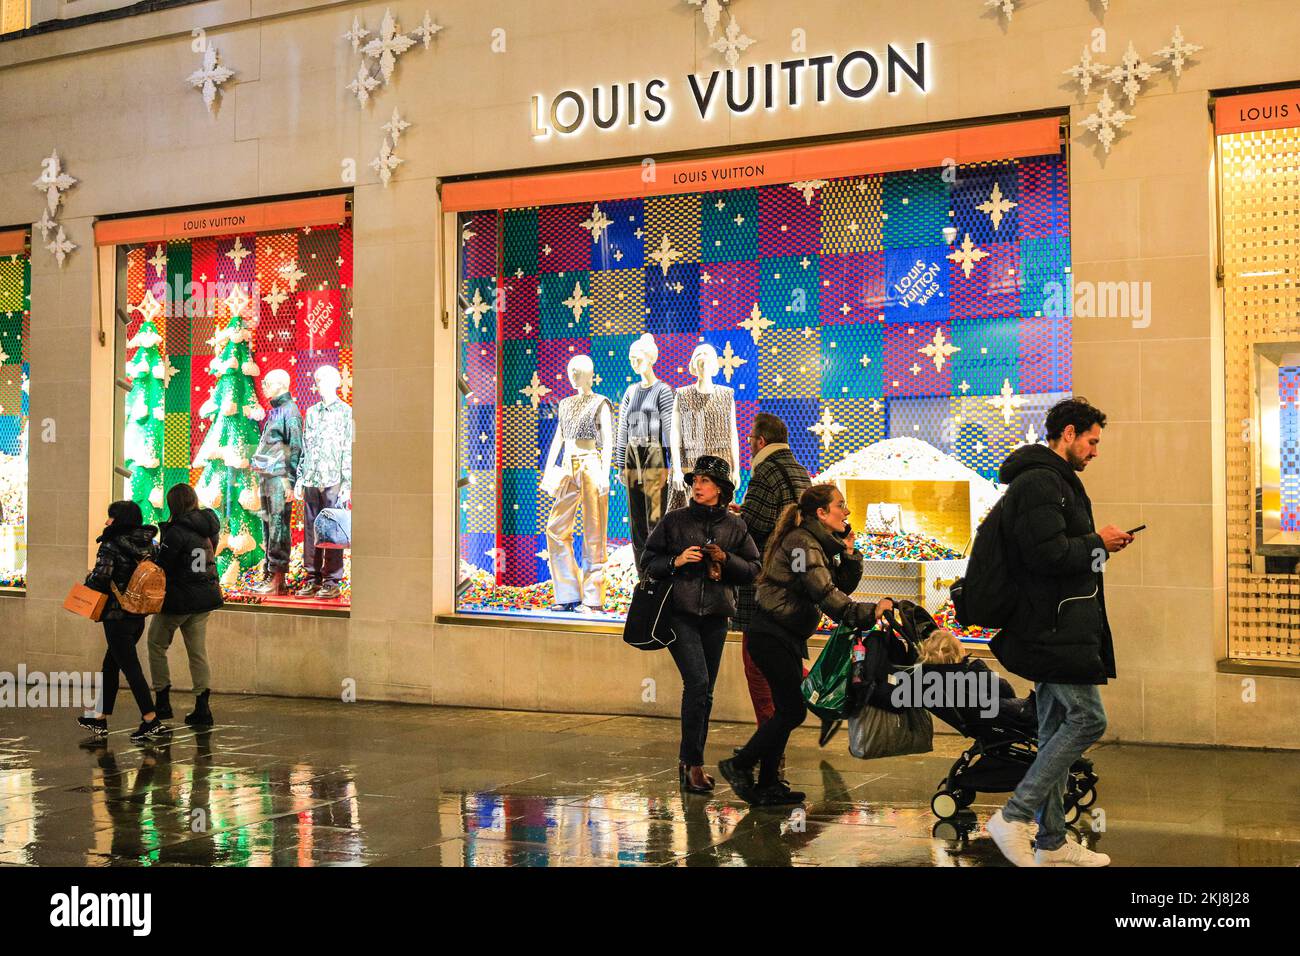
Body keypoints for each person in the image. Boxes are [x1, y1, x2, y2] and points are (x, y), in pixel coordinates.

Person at [985, 397, 1130, 867]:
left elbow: (1060, 552)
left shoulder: (1055, 481)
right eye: (1091, 441)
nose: (1095, 451)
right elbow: (1044, 555)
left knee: (1051, 732)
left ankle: (1050, 842)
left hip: (1060, 625)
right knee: (1089, 720)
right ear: (1067, 434)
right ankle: (1012, 816)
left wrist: (1099, 547)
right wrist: (1097, 543)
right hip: (1051, 630)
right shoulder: (1041, 482)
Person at [719, 484, 891, 806]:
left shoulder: (815, 544)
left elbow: (833, 584)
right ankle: (740, 765)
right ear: (821, 513)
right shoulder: (801, 545)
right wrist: (869, 611)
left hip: (783, 637)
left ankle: (768, 783)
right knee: (792, 710)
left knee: (787, 710)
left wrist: (849, 554)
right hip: (770, 635)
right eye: (841, 505)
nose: (847, 511)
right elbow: (824, 595)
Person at [642, 455, 760, 794]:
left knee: (704, 692)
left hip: (717, 617)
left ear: (721, 490)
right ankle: (691, 764)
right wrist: (676, 561)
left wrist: (727, 559)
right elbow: (648, 562)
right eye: (695, 480)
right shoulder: (674, 521)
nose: (698, 485)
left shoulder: (735, 526)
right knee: (697, 683)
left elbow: (754, 568)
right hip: (680, 613)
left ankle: (692, 763)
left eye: (706, 481)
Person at [730, 413, 812, 755]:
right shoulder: (800, 471)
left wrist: (737, 517)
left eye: (750, 441)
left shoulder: (765, 470)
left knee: (757, 663)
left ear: (760, 442)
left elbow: (757, 526)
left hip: (765, 580)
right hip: (794, 581)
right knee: (784, 656)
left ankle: (767, 740)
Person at [78, 500, 167, 742]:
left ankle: (151, 719)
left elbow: (101, 578)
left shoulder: (110, 544)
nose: (107, 521)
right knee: (111, 665)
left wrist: (87, 582)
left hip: (116, 615)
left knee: (130, 668)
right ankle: (99, 719)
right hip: (138, 613)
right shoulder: (151, 545)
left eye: (111, 517)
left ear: (120, 520)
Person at [147, 483, 224, 727]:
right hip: (204, 599)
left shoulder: (176, 531)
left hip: (179, 600)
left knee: (156, 643)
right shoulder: (208, 527)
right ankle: (202, 706)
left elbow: (163, 566)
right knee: (198, 653)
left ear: (173, 505)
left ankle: (162, 699)